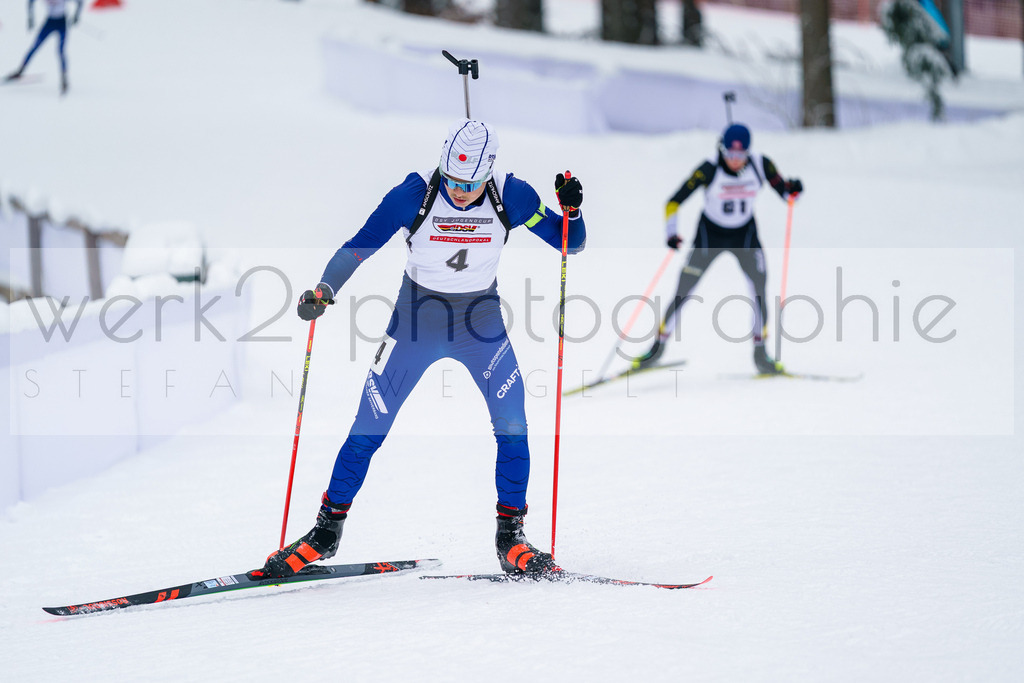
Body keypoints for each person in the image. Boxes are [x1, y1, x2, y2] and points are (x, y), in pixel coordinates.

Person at [254, 118, 586, 579]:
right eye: (451, 179)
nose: (460, 190)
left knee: (513, 422)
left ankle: (511, 535)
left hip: (480, 323)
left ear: (488, 172)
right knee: (368, 425)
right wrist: (324, 289)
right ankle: (326, 532)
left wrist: (571, 212)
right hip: (414, 322)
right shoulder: (412, 197)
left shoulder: (512, 195)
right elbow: (357, 247)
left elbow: (570, 244)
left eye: (470, 183)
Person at [631, 123, 802, 375]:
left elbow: (786, 193)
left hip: (745, 234)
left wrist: (793, 189)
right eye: (730, 155)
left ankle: (761, 354)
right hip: (709, 234)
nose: (735, 161)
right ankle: (657, 348)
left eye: (741, 155)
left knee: (759, 289)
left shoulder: (761, 165)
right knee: (684, 288)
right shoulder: (708, 169)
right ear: (721, 149)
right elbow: (673, 201)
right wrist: (671, 233)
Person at [4, 0, 84, 95]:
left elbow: (80, 2)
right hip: (49, 22)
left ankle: (64, 79)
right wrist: (31, 18)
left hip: (61, 23)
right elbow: (30, 2)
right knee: (35, 47)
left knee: (61, 51)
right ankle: (20, 71)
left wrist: (76, 16)